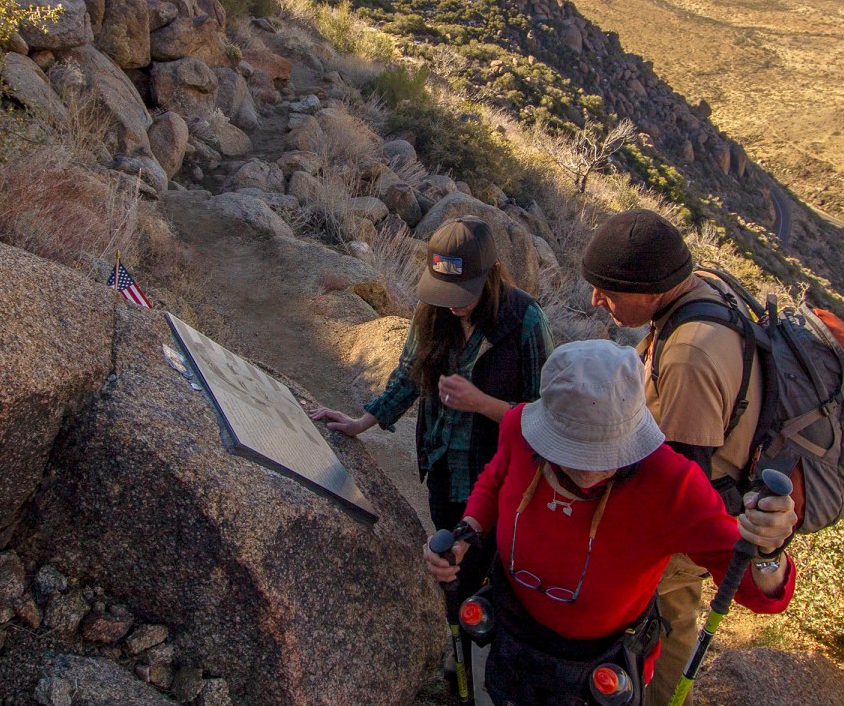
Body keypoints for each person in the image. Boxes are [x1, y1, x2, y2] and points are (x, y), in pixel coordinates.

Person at [423, 339, 796, 706]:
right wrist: (469, 529)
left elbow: (754, 589)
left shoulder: (671, 483)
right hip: (509, 628)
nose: (588, 468)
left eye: (603, 451)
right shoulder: (519, 428)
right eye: (570, 449)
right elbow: (496, 477)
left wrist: (768, 550)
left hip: (598, 666)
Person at [311, 214, 554, 606]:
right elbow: (408, 374)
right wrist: (363, 422)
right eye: (445, 291)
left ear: (492, 275)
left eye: (464, 292)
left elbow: (545, 417)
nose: (453, 305)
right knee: (447, 558)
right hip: (442, 465)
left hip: (497, 477)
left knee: (479, 571)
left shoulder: (524, 321)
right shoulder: (434, 310)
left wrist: (481, 403)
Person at [579, 208, 769, 705]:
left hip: (693, 517)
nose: (597, 301)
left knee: (667, 614)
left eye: (610, 292)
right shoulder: (697, 286)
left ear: (655, 288)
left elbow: (680, 480)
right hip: (711, 485)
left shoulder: (689, 355)